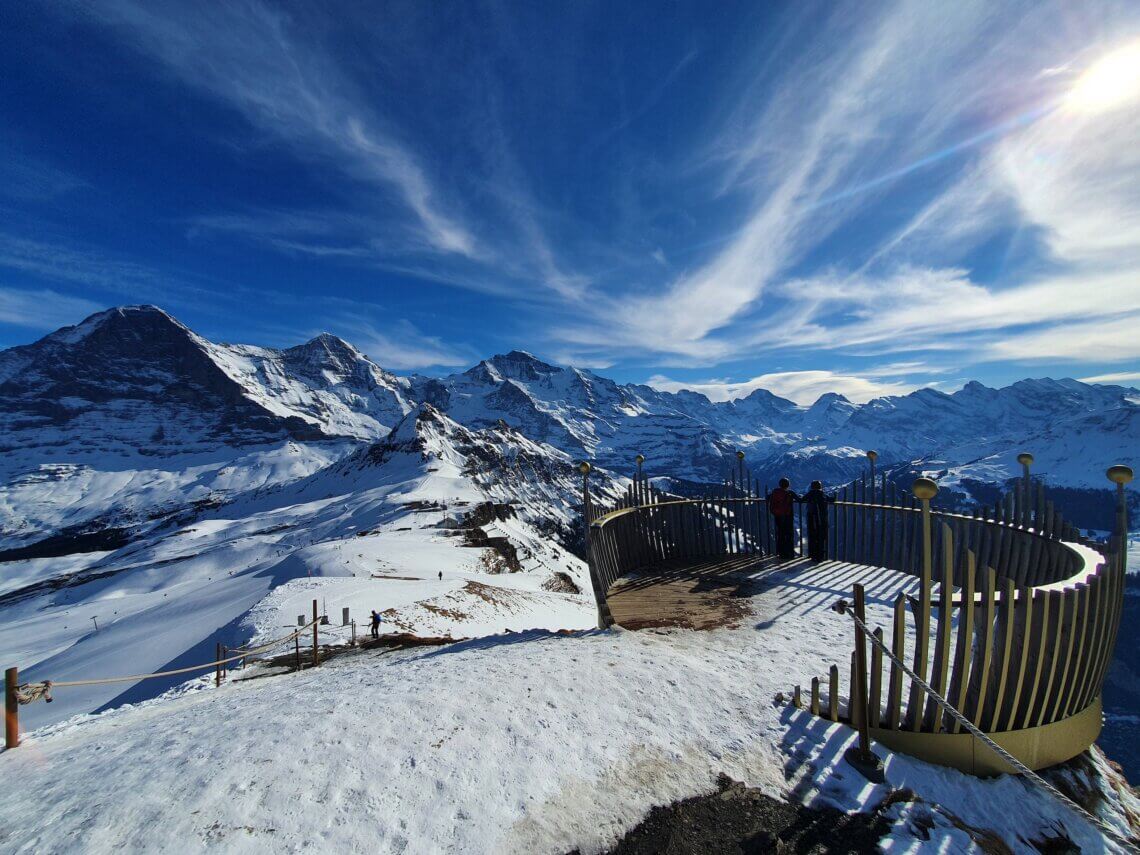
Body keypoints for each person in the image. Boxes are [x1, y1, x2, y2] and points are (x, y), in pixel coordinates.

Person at [803, 480, 834, 562]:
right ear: (820, 487)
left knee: (812, 536)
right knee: (821, 537)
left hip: (811, 518)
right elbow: (831, 499)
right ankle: (820, 556)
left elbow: (802, 499)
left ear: (812, 487)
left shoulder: (810, 494)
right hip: (821, 519)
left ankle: (813, 555)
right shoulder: (822, 494)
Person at [768, 477, 799, 559]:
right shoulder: (790, 492)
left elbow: (768, 498)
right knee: (788, 535)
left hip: (778, 516)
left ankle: (781, 553)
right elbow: (799, 499)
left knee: (780, 534)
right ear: (788, 485)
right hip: (787, 517)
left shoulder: (775, 492)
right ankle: (789, 553)